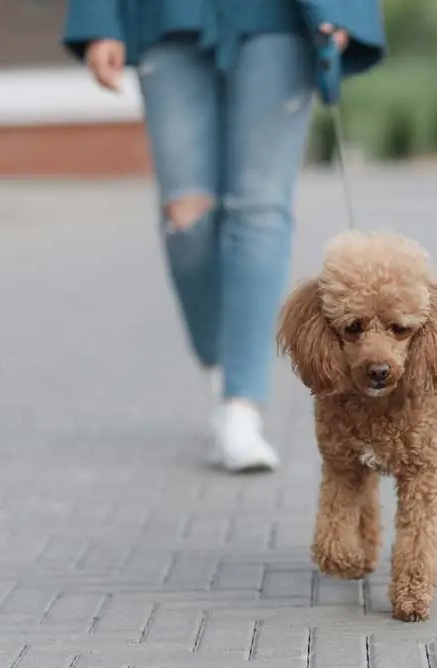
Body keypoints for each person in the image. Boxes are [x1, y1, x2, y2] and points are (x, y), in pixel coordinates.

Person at [62, 0, 385, 473]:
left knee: (259, 209)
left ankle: (242, 405)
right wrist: (98, 22)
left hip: (278, 20)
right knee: (185, 218)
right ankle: (222, 357)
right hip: (168, 18)